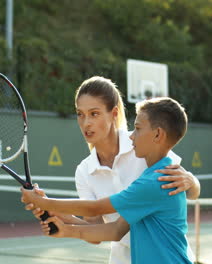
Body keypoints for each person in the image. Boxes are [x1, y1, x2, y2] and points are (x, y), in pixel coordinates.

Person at [24, 76, 200, 264]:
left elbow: (186, 190)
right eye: (80, 114)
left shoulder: (144, 149)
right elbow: (106, 230)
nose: (86, 123)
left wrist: (191, 180)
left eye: (94, 113)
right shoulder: (84, 171)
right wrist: (58, 215)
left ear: (114, 113)